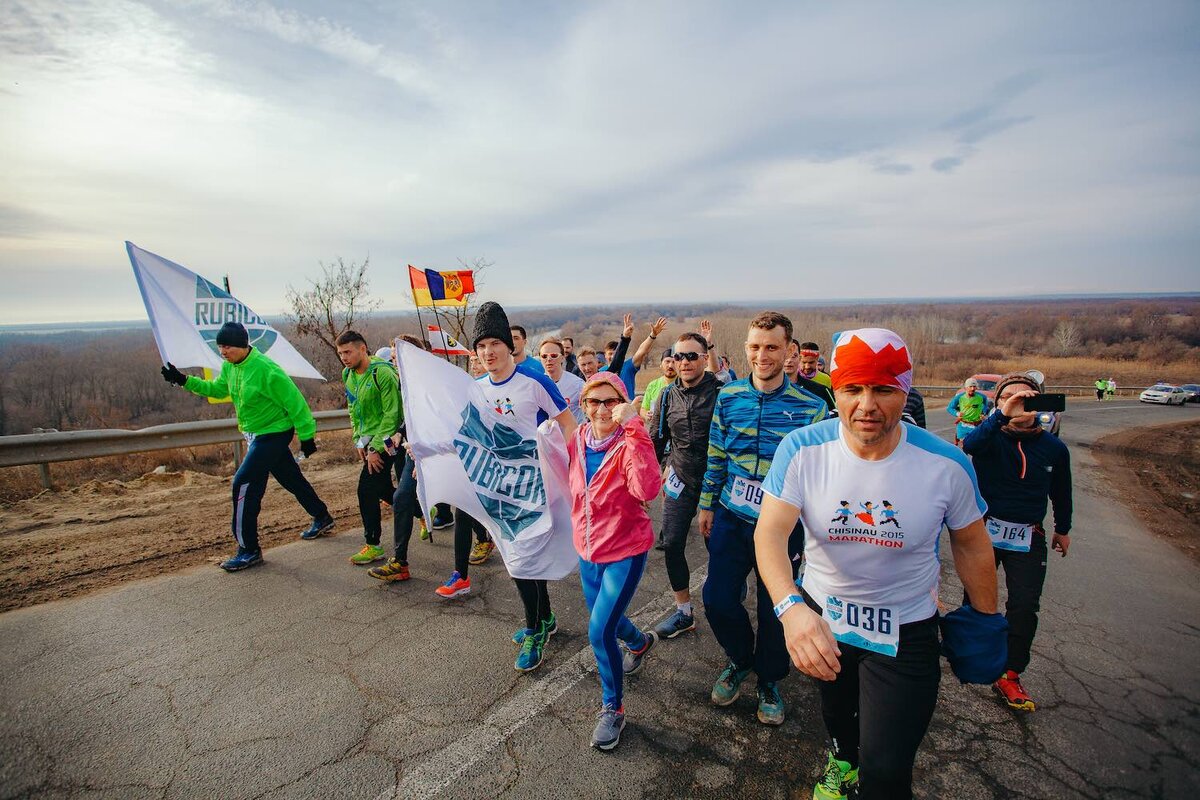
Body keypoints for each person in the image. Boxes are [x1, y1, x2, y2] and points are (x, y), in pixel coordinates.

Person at [755, 327, 1002, 800]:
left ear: (904, 390)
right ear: (836, 389)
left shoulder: (946, 464)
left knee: (887, 770)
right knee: (837, 715)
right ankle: (841, 763)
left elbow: (971, 544)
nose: (866, 405)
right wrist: (791, 609)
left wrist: (986, 620)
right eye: (852, 389)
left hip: (905, 629)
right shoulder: (803, 450)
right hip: (822, 620)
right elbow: (769, 532)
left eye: (883, 389)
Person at [434, 302, 578, 674]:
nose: (488, 352)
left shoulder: (534, 381)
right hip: (496, 492)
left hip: (533, 488)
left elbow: (568, 425)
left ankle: (533, 630)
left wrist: (575, 469)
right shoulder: (475, 389)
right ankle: (544, 618)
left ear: (509, 346)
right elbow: (464, 436)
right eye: (481, 346)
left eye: (495, 344)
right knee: (520, 559)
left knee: (522, 560)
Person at [698, 312, 827, 726]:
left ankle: (770, 679)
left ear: (789, 351)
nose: (761, 355)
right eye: (755, 347)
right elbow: (716, 454)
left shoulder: (812, 407)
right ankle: (740, 660)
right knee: (717, 598)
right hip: (732, 517)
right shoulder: (729, 396)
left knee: (778, 605)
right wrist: (706, 504)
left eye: (771, 347)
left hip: (784, 526)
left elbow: (821, 475)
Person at [159, 322, 333, 571]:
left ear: (242, 345)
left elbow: (296, 403)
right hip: (255, 435)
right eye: (220, 346)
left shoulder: (266, 370)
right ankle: (322, 516)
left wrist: (307, 438)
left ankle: (248, 549)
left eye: (227, 346)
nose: (223, 351)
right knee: (290, 478)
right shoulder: (231, 366)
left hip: (274, 433)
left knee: (242, 484)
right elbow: (217, 389)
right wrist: (183, 380)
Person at [962, 372, 1073, 712]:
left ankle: (1009, 673)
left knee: (1024, 606)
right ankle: (969, 654)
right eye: (1010, 398)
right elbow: (971, 445)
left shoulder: (1054, 447)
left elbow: (1062, 491)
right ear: (998, 404)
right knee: (977, 600)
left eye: (1027, 398)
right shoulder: (990, 438)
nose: (1019, 403)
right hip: (985, 530)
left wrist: (1063, 528)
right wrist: (1000, 415)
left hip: (1028, 534)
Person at [565, 371, 663, 750]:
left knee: (599, 631)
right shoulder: (578, 439)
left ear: (622, 403)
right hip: (587, 550)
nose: (602, 409)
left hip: (625, 550)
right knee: (606, 619)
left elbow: (647, 489)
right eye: (594, 401)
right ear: (584, 406)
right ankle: (638, 643)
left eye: (610, 401)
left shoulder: (629, 443)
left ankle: (613, 709)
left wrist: (636, 428)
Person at [649, 332, 725, 639]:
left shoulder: (723, 393)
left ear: (705, 359)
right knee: (672, 543)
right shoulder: (666, 395)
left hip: (717, 480)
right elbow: (656, 440)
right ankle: (683, 613)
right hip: (680, 476)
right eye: (679, 356)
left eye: (692, 356)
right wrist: (654, 475)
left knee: (717, 547)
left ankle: (724, 596)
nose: (684, 362)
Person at [336, 331, 402, 569]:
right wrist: (358, 441)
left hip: (388, 440)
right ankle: (420, 510)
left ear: (363, 349)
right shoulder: (348, 374)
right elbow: (353, 410)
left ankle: (373, 545)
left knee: (366, 490)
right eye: (340, 353)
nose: (344, 357)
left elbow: (392, 414)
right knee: (383, 489)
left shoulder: (382, 372)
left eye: (348, 352)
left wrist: (374, 447)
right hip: (367, 442)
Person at [540, 337, 586, 423]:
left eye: (554, 356)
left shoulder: (577, 384)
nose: (549, 359)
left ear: (562, 358)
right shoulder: (536, 385)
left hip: (571, 434)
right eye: (544, 356)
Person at [784, 343, 835, 413]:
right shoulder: (791, 379)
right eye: (804, 362)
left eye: (811, 362)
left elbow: (832, 407)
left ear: (817, 360)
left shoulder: (826, 379)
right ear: (799, 359)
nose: (807, 366)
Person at [947, 378, 992, 446]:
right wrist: (957, 413)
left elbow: (986, 405)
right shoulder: (959, 397)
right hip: (963, 426)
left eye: (974, 386)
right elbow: (949, 408)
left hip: (976, 426)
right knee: (965, 446)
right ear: (965, 387)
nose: (972, 389)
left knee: (975, 447)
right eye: (970, 386)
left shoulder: (982, 397)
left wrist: (983, 412)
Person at [640, 349, 677, 422]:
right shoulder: (653, 385)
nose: (670, 365)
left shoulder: (684, 384)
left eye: (674, 362)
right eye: (667, 361)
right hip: (656, 429)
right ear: (661, 364)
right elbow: (643, 409)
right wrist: (646, 414)